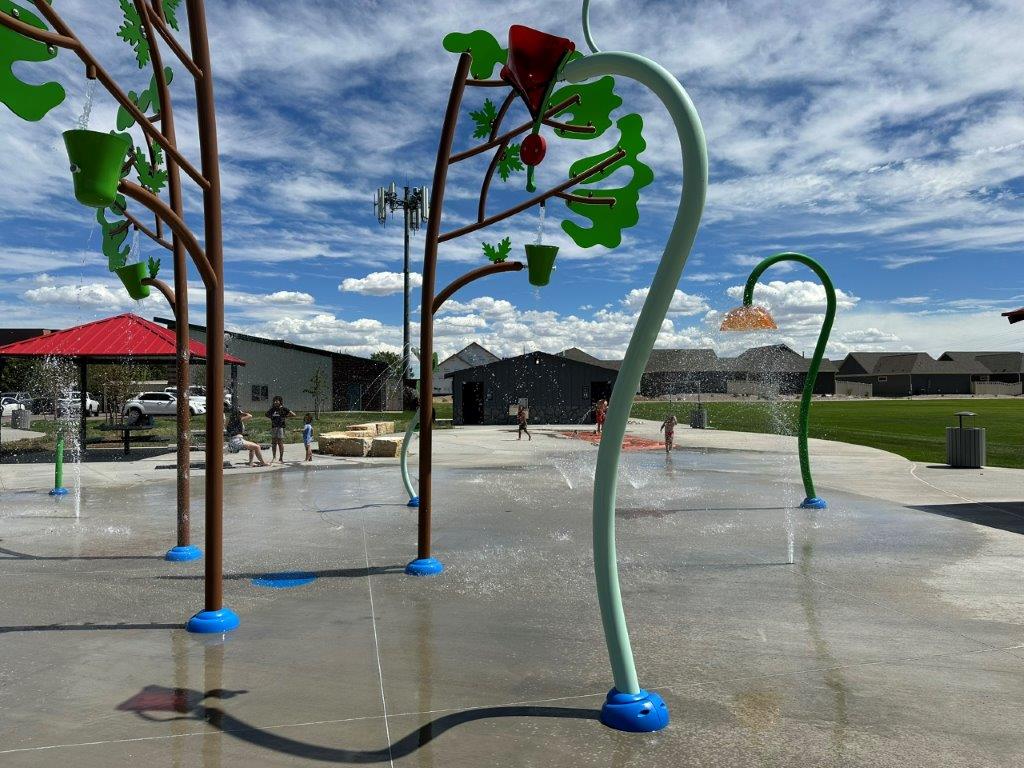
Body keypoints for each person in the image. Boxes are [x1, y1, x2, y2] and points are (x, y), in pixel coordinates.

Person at [225, 401, 267, 466]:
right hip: (237, 441)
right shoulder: (237, 420)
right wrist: (242, 413)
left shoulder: (232, 420)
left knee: (254, 445)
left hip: (237, 440)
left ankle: (250, 463)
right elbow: (250, 416)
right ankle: (262, 462)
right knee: (257, 447)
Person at [266, 395, 296, 464]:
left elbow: (293, 414)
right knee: (274, 443)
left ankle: (281, 458)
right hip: (274, 427)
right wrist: (271, 417)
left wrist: (285, 416)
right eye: (274, 401)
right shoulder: (273, 409)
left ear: (280, 401)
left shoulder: (283, 409)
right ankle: (274, 457)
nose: (275, 402)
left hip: (280, 427)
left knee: (280, 443)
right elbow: (266, 414)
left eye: (277, 401)